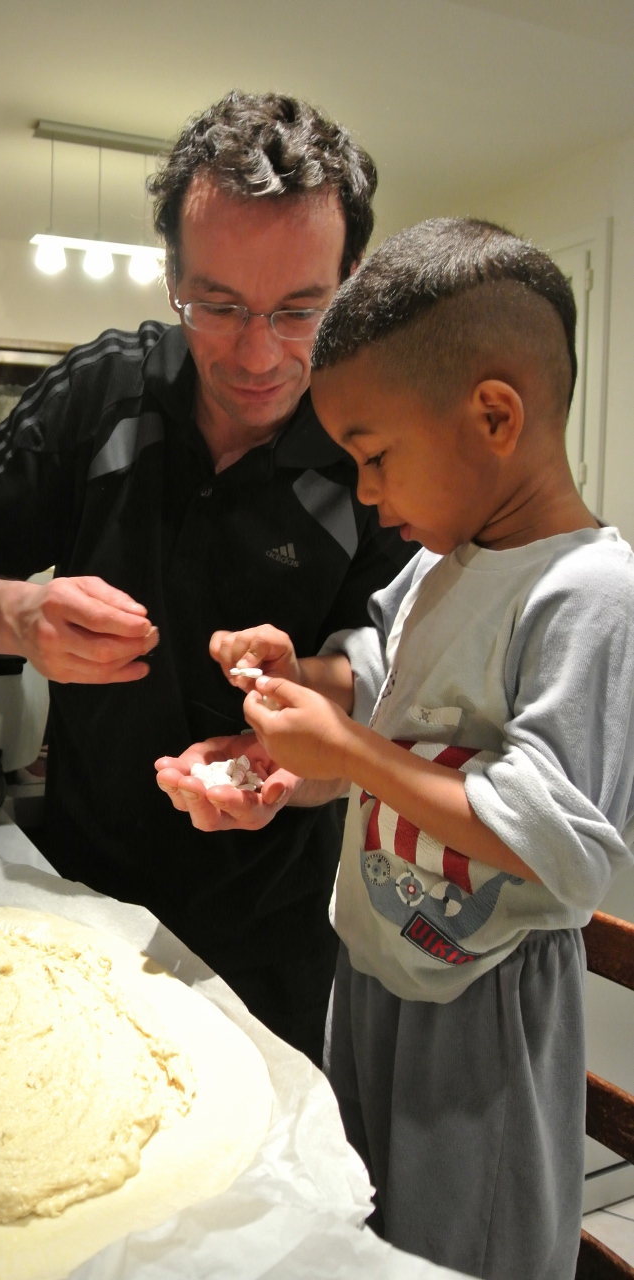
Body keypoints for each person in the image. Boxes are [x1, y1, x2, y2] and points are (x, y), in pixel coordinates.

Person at [160, 218, 634, 1279]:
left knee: (464, 1254)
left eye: (375, 457)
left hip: (482, 1000)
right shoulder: (436, 565)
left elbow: (555, 844)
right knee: (366, 1232)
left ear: (494, 416)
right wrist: (293, 692)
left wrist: (346, 750)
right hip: (376, 965)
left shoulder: (589, 594)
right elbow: (375, 689)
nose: (367, 492)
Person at [0, 92, 416, 1064]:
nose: (257, 354)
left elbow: (392, 689)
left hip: (276, 927)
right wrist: (18, 612)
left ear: (348, 285)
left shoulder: (378, 442)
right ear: (170, 276)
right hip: (78, 896)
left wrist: (293, 758)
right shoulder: (101, 391)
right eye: (217, 306)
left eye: (299, 310)